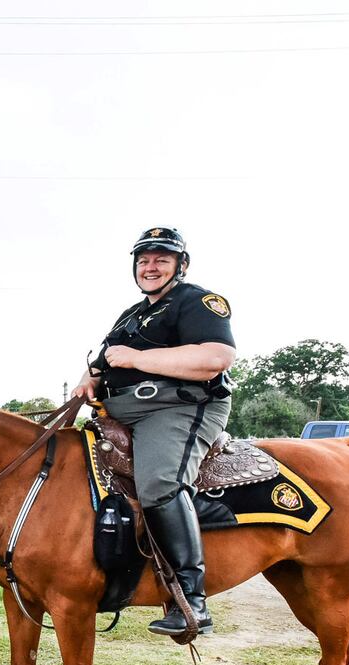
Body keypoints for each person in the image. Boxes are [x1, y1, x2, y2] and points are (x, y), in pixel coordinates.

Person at [71, 227, 235, 636]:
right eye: (144, 260)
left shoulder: (198, 302)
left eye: (162, 259)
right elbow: (105, 360)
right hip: (122, 412)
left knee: (159, 482)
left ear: (180, 265)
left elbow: (217, 357)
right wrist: (87, 381)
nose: (151, 266)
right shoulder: (132, 314)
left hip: (180, 406)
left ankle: (190, 600)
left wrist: (138, 357)